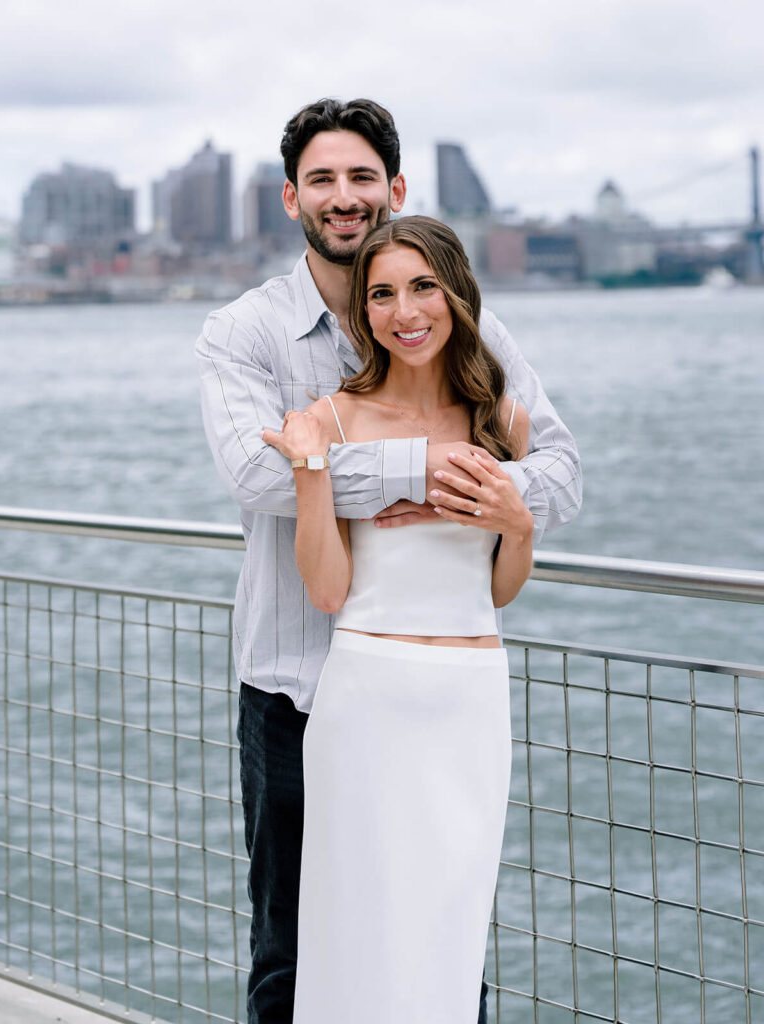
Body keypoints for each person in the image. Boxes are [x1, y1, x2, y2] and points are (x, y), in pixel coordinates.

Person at [195, 97, 581, 1024]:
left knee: (443, 951)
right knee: (297, 956)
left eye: (362, 177)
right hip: (299, 688)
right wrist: (429, 466)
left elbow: (559, 474)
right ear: (291, 199)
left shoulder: (473, 343)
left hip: (452, 701)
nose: (344, 196)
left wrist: (502, 497)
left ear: (395, 189)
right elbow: (258, 474)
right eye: (322, 179)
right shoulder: (242, 332)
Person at [263, 215, 533, 1022]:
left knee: (446, 936)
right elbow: (324, 588)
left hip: (470, 699)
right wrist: (312, 467)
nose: (405, 310)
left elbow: (499, 591)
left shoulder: (505, 422)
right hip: (367, 698)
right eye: (382, 293)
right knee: (354, 933)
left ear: (456, 293)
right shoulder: (334, 418)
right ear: (364, 313)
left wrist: (517, 523)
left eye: (422, 287)